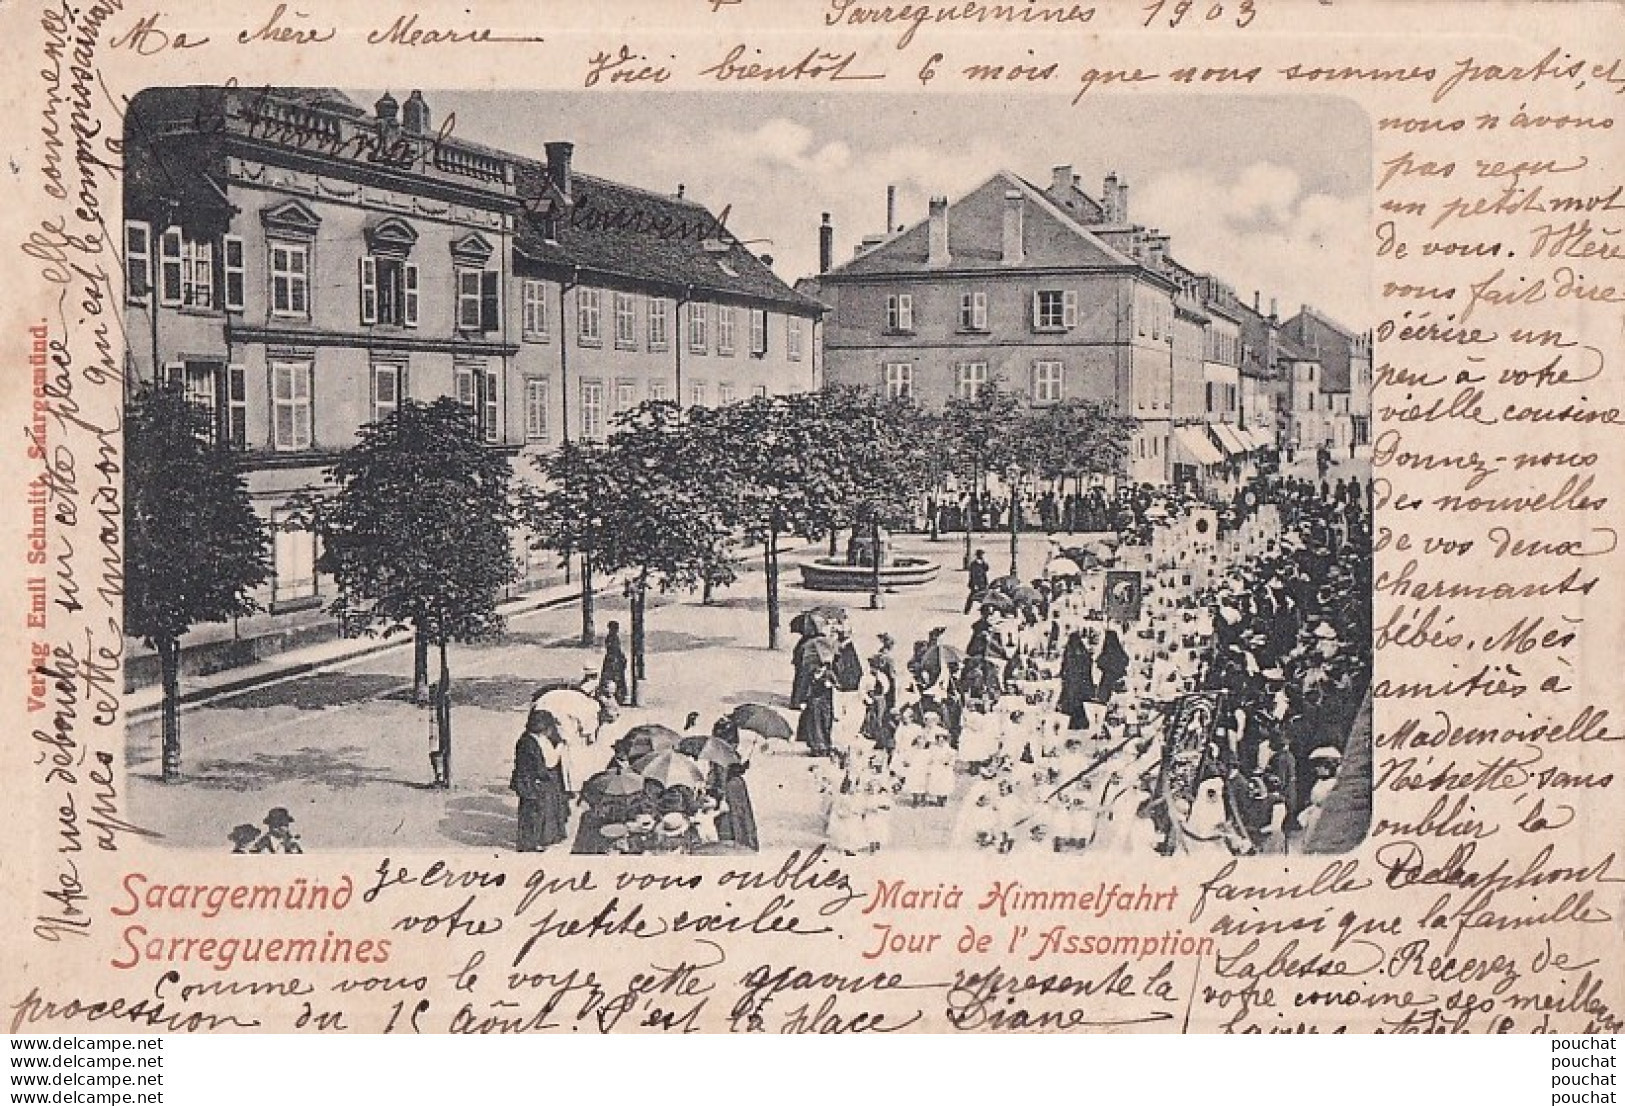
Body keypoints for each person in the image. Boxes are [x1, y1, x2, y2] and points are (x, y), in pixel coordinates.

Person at [511, 709, 570, 852]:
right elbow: (545, 764)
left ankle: (536, 840)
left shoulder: (530, 738)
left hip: (530, 780)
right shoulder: (530, 743)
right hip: (531, 782)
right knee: (534, 813)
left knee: (536, 812)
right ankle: (530, 843)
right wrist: (560, 748)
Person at [600, 620, 629, 706]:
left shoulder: (612, 637)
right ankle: (618, 696)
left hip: (613, 660)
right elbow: (615, 650)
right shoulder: (612, 638)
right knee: (616, 678)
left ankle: (618, 695)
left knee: (615, 678)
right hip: (614, 661)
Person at [964, 549, 991, 614]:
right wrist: (974, 584)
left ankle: (986, 609)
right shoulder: (974, 564)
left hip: (983, 582)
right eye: (981, 555)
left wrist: (984, 562)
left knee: (985, 596)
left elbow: (987, 568)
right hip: (976, 583)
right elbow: (973, 575)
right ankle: (967, 610)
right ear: (978, 555)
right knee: (972, 597)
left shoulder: (982, 563)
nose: (982, 556)